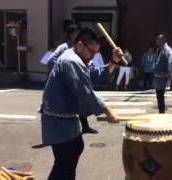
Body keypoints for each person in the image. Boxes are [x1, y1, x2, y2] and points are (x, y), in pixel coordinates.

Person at [38, 28, 122, 180]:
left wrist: (114, 61)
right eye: (91, 52)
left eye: (95, 53)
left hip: (67, 119)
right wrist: (107, 109)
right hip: (58, 122)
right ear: (80, 45)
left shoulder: (78, 58)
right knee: (64, 162)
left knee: (70, 155)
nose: (92, 57)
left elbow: (94, 76)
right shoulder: (71, 61)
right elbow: (85, 92)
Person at [154, 34, 172, 114]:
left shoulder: (167, 49)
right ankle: (161, 112)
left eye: (158, 39)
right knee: (159, 96)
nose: (156, 41)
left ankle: (162, 113)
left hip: (161, 77)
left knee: (160, 95)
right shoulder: (160, 49)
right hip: (158, 76)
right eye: (156, 39)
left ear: (163, 40)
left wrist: (168, 72)